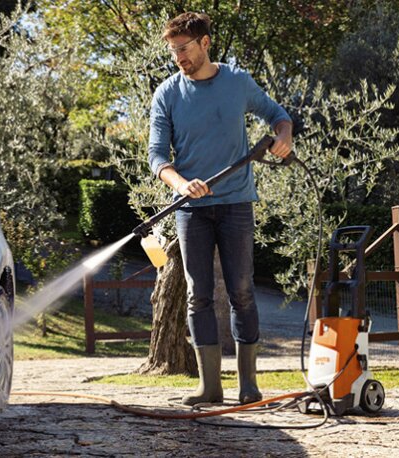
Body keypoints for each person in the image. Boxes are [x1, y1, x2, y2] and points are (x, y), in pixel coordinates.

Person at [148, 12, 293, 406]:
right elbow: (157, 156)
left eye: (184, 48)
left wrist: (283, 136)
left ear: (205, 43)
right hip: (191, 209)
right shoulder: (168, 94)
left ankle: (248, 385)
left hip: (235, 204)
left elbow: (278, 116)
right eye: (173, 50)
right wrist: (181, 184)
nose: (178, 56)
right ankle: (209, 386)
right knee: (198, 294)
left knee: (243, 290)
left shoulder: (236, 82)